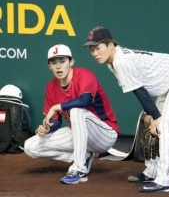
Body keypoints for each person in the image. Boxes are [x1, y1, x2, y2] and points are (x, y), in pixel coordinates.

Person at [83, 26, 169, 192]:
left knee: (164, 127)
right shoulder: (114, 61)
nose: (95, 53)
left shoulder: (121, 61)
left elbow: (140, 91)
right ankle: (152, 171)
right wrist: (150, 115)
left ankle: (165, 180)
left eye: (98, 48)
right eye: (91, 49)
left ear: (111, 46)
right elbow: (139, 87)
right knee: (150, 126)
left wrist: (156, 116)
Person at [24, 44, 120, 184]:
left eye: (62, 61)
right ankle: (83, 156)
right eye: (54, 62)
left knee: (76, 110)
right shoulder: (51, 87)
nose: (58, 67)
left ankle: (79, 169)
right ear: (49, 66)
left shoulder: (85, 75)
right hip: (79, 135)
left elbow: (84, 100)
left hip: (105, 133)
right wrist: (47, 128)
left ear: (71, 62)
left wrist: (57, 107)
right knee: (31, 146)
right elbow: (56, 122)